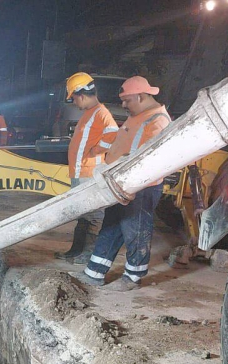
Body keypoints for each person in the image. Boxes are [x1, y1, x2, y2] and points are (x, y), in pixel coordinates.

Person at [80, 76, 172, 291]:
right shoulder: (138, 116)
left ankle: (133, 277)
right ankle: (95, 272)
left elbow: (151, 159)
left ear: (140, 97)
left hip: (140, 187)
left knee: (136, 230)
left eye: (127, 100)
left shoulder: (157, 120)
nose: (123, 105)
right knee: (112, 226)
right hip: (121, 184)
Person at [55, 72, 119, 264]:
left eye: (74, 98)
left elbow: (113, 133)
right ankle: (76, 251)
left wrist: (97, 151)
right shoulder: (88, 114)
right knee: (82, 213)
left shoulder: (101, 113)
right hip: (80, 172)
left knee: (93, 215)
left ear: (81, 95)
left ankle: (87, 254)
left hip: (89, 173)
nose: (74, 102)